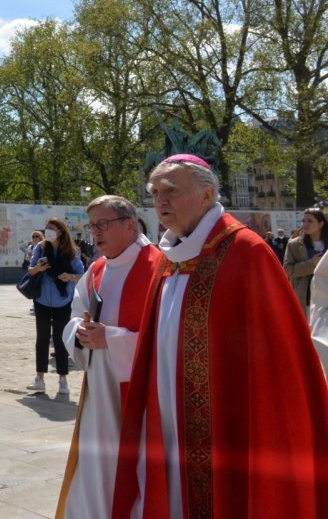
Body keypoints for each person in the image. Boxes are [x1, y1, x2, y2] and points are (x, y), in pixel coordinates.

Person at [110, 154, 328, 518]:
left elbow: (279, 358)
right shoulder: (169, 257)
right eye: (154, 192)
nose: (159, 201)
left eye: (171, 191)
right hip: (167, 416)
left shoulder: (246, 252)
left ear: (207, 194)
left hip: (227, 420)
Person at [55, 196, 163, 519]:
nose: (95, 233)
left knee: (134, 468)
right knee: (95, 466)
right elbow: (74, 314)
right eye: (92, 226)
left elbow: (168, 337)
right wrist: (81, 332)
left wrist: (112, 339)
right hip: (99, 390)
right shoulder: (97, 268)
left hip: (140, 397)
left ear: (130, 224)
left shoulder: (158, 266)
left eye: (103, 224)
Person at [26, 218, 84, 394]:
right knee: (42, 338)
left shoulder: (71, 251)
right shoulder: (41, 247)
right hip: (42, 299)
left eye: (51, 228)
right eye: (46, 228)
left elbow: (81, 275)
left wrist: (70, 277)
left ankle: (63, 379)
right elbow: (30, 270)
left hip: (63, 299)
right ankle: (40, 378)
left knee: (60, 340)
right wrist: (38, 268)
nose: (47, 231)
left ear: (60, 231)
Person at [283, 208, 326, 318]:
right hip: (306, 297)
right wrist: (312, 263)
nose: (305, 224)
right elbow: (288, 271)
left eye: (310, 221)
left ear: (321, 224)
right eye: (303, 221)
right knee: (309, 332)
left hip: (325, 296)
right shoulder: (294, 244)